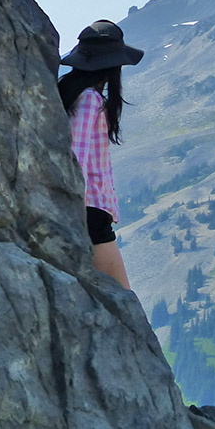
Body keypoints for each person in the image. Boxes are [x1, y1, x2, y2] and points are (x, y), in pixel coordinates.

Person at [58, 20, 144, 291]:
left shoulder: (69, 92)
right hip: (91, 209)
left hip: (84, 208)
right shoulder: (90, 100)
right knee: (122, 295)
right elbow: (77, 155)